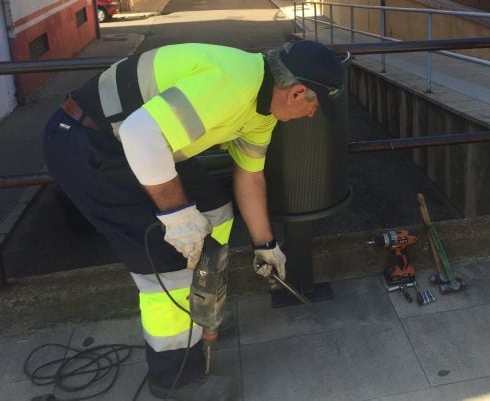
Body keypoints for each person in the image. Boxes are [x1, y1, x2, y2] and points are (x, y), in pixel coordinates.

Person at [43, 40, 344, 400]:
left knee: (215, 209)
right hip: (90, 142)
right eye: (314, 107)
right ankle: (176, 380)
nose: (312, 115)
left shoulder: (262, 113)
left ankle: (203, 311)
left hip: (148, 142)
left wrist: (266, 245)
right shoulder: (233, 82)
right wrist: (177, 217)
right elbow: (140, 133)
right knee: (166, 263)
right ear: (296, 93)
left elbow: (249, 177)